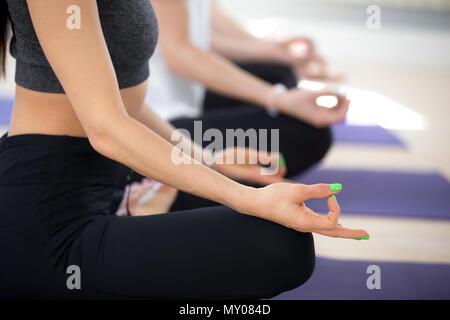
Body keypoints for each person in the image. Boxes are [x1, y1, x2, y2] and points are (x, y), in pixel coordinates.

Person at [0, 0, 368, 300]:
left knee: (266, 220)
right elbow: (106, 128)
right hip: (49, 221)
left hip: (110, 180)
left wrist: (208, 159)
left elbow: (127, 104)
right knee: (281, 245)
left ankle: (128, 207)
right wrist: (243, 197)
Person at [145, 0, 348, 181]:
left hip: (184, 98)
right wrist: (278, 98)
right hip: (153, 124)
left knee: (280, 74)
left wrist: (274, 52)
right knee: (307, 135)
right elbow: (180, 56)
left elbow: (205, 31)